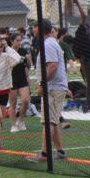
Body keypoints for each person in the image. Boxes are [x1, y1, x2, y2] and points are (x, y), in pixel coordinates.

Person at [27, 19, 69, 163]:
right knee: (52, 121)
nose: (33, 30)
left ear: (40, 29)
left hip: (52, 88)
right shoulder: (49, 43)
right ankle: (60, 152)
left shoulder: (48, 44)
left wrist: (42, 84)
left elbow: (52, 66)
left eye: (34, 27)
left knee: (48, 122)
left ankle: (44, 154)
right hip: (54, 87)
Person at [0, 34, 23, 148]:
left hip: (4, 91)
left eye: (0, 47)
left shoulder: (6, 57)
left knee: (0, 118)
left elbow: (18, 59)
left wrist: (7, 47)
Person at [6, 32, 32, 132]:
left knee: (25, 100)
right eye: (17, 40)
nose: (19, 42)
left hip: (22, 78)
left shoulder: (23, 51)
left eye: (20, 40)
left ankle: (20, 121)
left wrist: (28, 60)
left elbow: (28, 66)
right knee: (13, 103)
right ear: (12, 41)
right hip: (11, 79)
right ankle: (13, 125)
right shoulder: (7, 52)